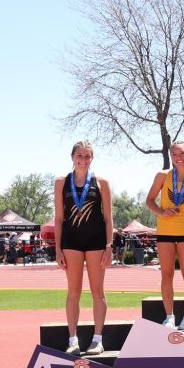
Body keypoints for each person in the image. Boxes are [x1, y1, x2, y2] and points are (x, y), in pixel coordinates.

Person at [53, 140, 113, 356]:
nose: (83, 160)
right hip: (71, 243)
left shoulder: (101, 182)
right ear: (72, 157)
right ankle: (73, 340)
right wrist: (57, 249)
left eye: (87, 156)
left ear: (92, 159)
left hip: (97, 242)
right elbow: (59, 219)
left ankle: (98, 339)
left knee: (98, 291)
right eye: (79, 155)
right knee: (74, 291)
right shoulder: (61, 182)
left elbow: (108, 217)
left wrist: (109, 246)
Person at [145, 141, 184, 330]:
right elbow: (149, 200)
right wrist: (161, 212)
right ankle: (169, 317)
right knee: (167, 275)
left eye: (182, 153)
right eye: (174, 154)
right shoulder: (163, 176)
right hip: (165, 233)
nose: (178, 158)